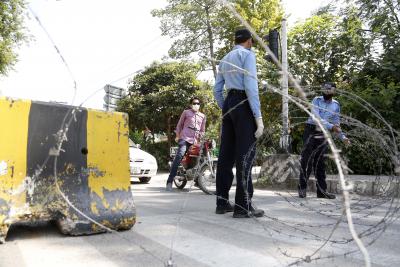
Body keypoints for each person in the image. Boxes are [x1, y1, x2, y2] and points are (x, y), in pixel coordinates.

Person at [213, 28, 264, 218]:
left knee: (226, 155)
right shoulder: (247, 55)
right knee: (245, 155)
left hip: (229, 104)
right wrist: (258, 117)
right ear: (249, 41)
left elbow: (217, 90)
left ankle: (222, 202)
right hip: (243, 104)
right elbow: (251, 87)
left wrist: (226, 107)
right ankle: (243, 206)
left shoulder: (224, 58)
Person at [298, 82, 350, 199]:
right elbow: (316, 118)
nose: (326, 91)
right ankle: (302, 189)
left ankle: (322, 191)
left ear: (333, 91)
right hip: (311, 131)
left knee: (320, 162)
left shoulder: (336, 105)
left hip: (323, 133)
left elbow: (336, 124)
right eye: (325, 88)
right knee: (307, 160)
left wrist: (343, 137)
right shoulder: (316, 100)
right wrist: (331, 127)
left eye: (329, 89)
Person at [166, 97, 206, 191]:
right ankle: (169, 181)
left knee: (200, 158)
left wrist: (202, 138)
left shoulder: (202, 116)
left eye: (198, 103)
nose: (196, 105)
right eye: (194, 103)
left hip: (195, 141)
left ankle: (197, 181)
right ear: (191, 104)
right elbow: (179, 125)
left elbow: (202, 130)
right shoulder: (186, 112)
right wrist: (177, 135)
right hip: (184, 138)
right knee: (180, 155)